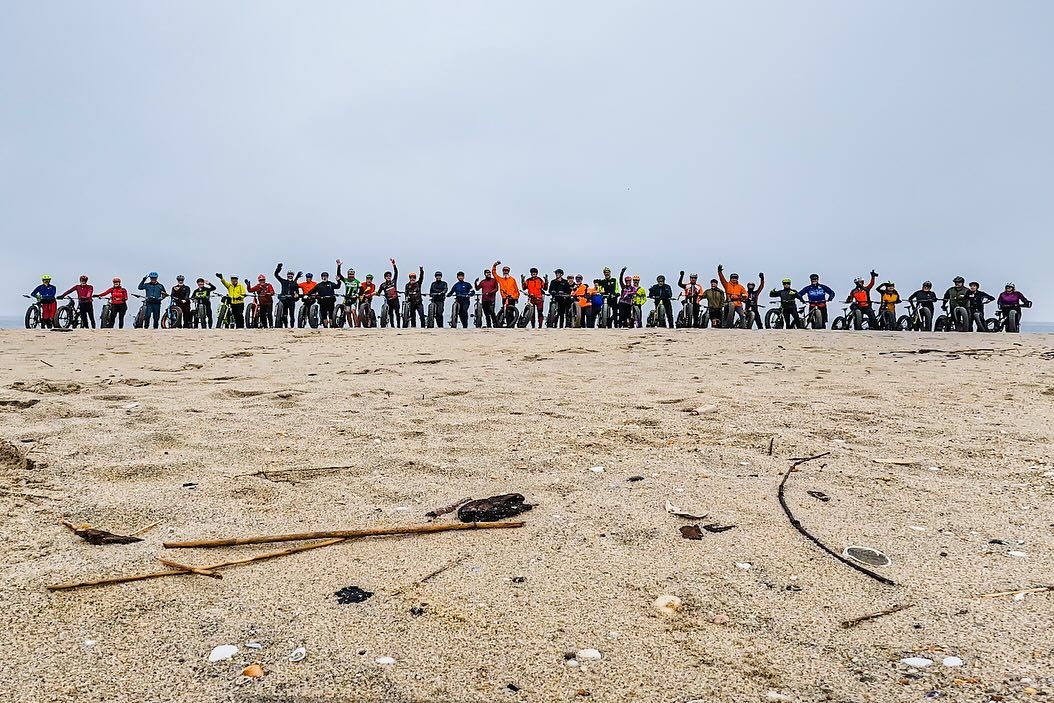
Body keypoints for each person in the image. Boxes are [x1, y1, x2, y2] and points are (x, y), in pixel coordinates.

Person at [492, 262, 520, 326]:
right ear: (503, 271)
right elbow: (494, 274)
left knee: (511, 312)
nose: (505, 272)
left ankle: (512, 325)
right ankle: (507, 324)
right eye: (504, 271)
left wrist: (516, 297)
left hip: (512, 298)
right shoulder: (500, 279)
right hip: (504, 297)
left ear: (509, 272)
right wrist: (495, 265)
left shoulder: (512, 279)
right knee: (506, 311)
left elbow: (516, 289)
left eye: (507, 271)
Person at [274, 263, 301, 328]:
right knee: (284, 314)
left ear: (293, 276)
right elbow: (276, 275)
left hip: (291, 300)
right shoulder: (283, 281)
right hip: (284, 300)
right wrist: (279, 268)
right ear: (287, 276)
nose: (290, 276)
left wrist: (296, 296)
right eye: (289, 275)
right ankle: (285, 326)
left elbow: (297, 293)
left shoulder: (295, 284)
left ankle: (292, 326)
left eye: (291, 275)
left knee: (292, 314)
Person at [336, 260, 360, 327]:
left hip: (354, 299)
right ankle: (350, 326)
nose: (351, 276)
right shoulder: (345, 280)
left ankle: (356, 325)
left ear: (354, 275)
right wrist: (338, 266)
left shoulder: (357, 281)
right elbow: (339, 275)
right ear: (348, 274)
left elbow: (361, 289)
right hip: (346, 299)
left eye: (352, 274)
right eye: (349, 274)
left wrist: (358, 295)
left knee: (353, 311)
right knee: (347, 312)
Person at [377, 259, 400, 327]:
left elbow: (396, 272)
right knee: (390, 314)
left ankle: (398, 325)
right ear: (385, 277)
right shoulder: (383, 285)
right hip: (389, 301)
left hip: (395, 299)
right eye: (387, 276)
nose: (388, 277)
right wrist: (376, 294)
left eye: (389, 276)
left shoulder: (394, 281)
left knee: (397, 313)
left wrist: (394, 265)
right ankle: (392, 325)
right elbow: (379, 292)